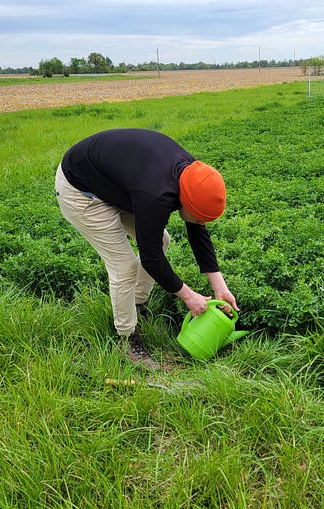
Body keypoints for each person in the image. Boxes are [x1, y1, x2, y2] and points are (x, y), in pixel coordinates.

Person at [55, 128, 239, 371]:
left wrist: (220, 287)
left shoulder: (194, 176)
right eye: (199, 217)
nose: (200, 223)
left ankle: (138, 304)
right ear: (185, 200)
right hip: (81, 190)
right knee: (125, 266)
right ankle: (126, 338)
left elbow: (196, 230)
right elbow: (151, 260)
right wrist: (188, 296)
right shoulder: (156, 194)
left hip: (114, 184)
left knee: (161, 241)